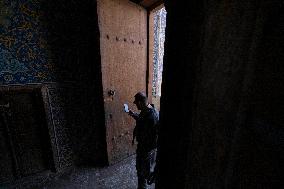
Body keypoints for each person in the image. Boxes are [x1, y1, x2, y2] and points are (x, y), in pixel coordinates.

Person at [128, 92, 159, 189]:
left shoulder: (152, 116)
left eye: (136, 103)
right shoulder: (146, 111)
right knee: (141, 170)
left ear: (140, 103)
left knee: (144, 173)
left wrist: (147, 149)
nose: (135, 105)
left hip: (147, 149)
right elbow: (142, 120)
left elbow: (155, 136)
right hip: (143, 148)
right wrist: (133, 114)